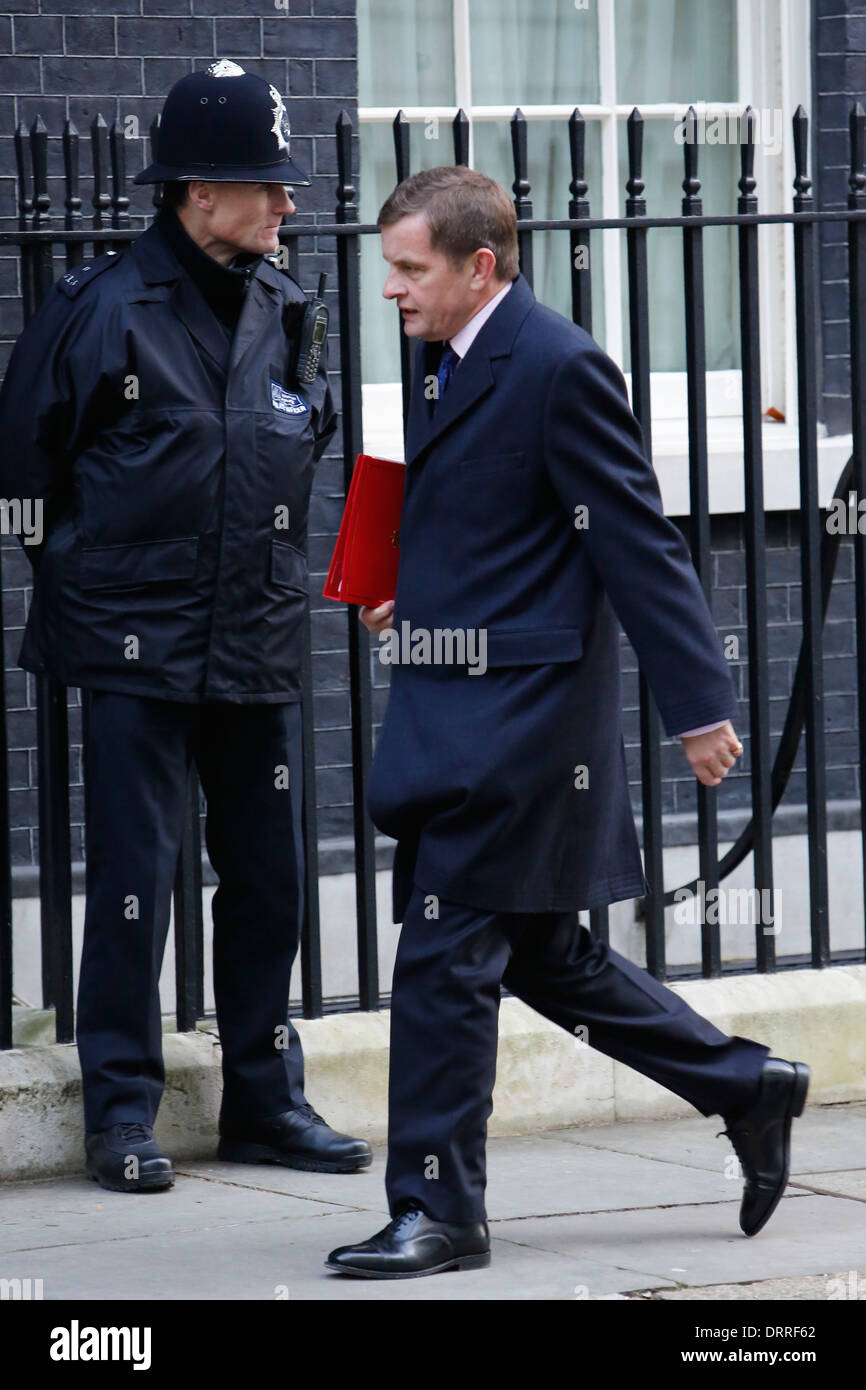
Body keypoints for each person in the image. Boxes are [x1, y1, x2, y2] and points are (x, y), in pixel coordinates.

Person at [325, 166, 809, 1279]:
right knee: (546, 955)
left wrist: (698, 707)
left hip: (521, 726)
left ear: (477, 265)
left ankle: (439, 1209)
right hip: (462, 696)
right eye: (387, 268)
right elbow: (498, 524)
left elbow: (633, 540)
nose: (389, 290)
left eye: (408, 269)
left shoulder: (557, 364)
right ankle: (747, 1083)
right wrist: (413, 591)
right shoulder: (440, 352)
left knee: (442, 960)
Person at [0, 62, 372, 1193]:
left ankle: (265, 1098)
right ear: (195, 193)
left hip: (253, 639)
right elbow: (24, 478)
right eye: (263, 186)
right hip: (136, 647)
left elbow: (310, 449)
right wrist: (97, 587)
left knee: (270, 880)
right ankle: (121, 1112)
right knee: (132, 878)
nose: (286, 205)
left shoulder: (289, 305)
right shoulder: (98, 307)